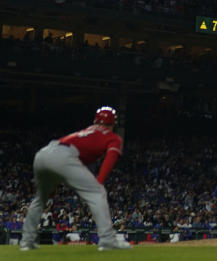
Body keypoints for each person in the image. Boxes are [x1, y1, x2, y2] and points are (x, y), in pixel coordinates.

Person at [19, 106, 132, 251]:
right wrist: (99, 182)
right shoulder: (113, 137)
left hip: (44, 153)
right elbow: (110, 159)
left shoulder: (87, 130)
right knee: (98, 193)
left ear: (96, 120)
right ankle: (107, 240)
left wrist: (53, 183)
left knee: (40, 199)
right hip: (63, 156)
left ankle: (26, 242)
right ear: (113, 123)